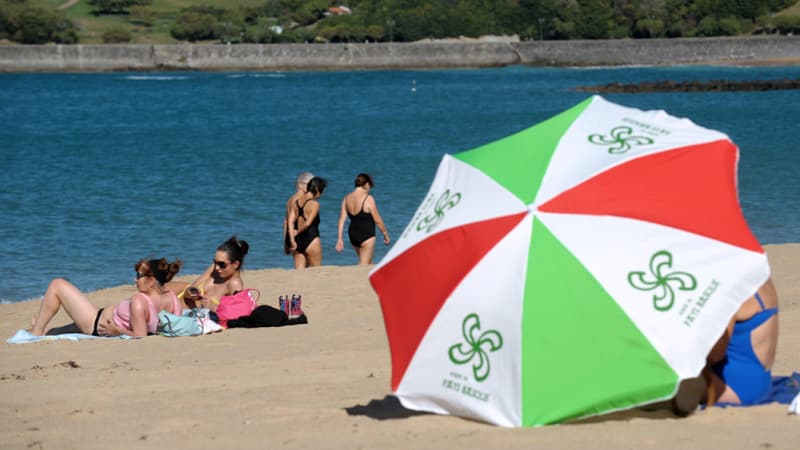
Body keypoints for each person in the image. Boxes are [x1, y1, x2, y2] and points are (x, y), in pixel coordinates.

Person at [672, 278, 779, 415]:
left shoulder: (731, 289)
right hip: (760, 380)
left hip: (735, 385)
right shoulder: (761, 277)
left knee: (657, 384)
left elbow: (716, 354)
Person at [29, 258, 183, 337]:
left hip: (95, 323)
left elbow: (141, 337)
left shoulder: (139, 300)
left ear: (151, 281)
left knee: (57, 284)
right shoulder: (174, 300)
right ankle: (41, 329)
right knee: (55, 332)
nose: (135, 280)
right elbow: (170, 330)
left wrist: (118, 332)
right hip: (100, 317)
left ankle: (36, 331)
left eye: (139, 276)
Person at [169, 235, 249, 312]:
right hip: (179, 297)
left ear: (235, 264)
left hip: (179, 312)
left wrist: (212, 307)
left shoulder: (234, 283)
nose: (217, 267)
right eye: (215, 262)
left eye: (222, 264)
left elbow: (237, 312)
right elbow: (192, 287)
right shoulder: (214, 268)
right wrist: (189, 292)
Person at [335, 173, 390, 265]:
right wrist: (385, 233)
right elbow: (377, 220)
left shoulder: (346, 198)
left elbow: (341, 220)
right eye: (370, 186)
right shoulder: (368, 199)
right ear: (367, 184)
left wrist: (340, 238)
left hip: (353, 235)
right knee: (363, 265)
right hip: (367, 235)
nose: (370, 189)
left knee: (368, 262)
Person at [287, 176, 327, 269]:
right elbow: (308, 223)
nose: (321, 195)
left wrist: (292, 239)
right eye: (321, 191)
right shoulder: (315, 204)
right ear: (317, 190)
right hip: (311, 240)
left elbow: (290, 221)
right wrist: (298, 231)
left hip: (297, 241)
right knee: (316, 271)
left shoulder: (296, 202)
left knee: (299, 273)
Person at [284, 172, 315, 256]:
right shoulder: (306, 199)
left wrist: (286, 243)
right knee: (314, 268)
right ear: (300, 184)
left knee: (299, 268)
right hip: (305, 235)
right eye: (309, 184)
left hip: (292, 236)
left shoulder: (290, 200)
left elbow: (286, 223)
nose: (311, 187)